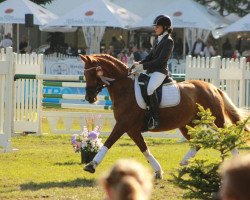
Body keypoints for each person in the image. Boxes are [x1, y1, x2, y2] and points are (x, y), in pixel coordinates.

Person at [133, 15, 174, 130]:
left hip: (160, 71)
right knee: (139, 82)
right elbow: (150, 57)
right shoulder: (157, 40)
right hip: (152, 70)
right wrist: (139, 63)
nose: (155, 29)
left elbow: (160, 60)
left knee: (150, 88)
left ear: (165, 27)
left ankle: (155, 118)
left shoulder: (168, 41)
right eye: (155, 27)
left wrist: (143, 66)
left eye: (157, 27)